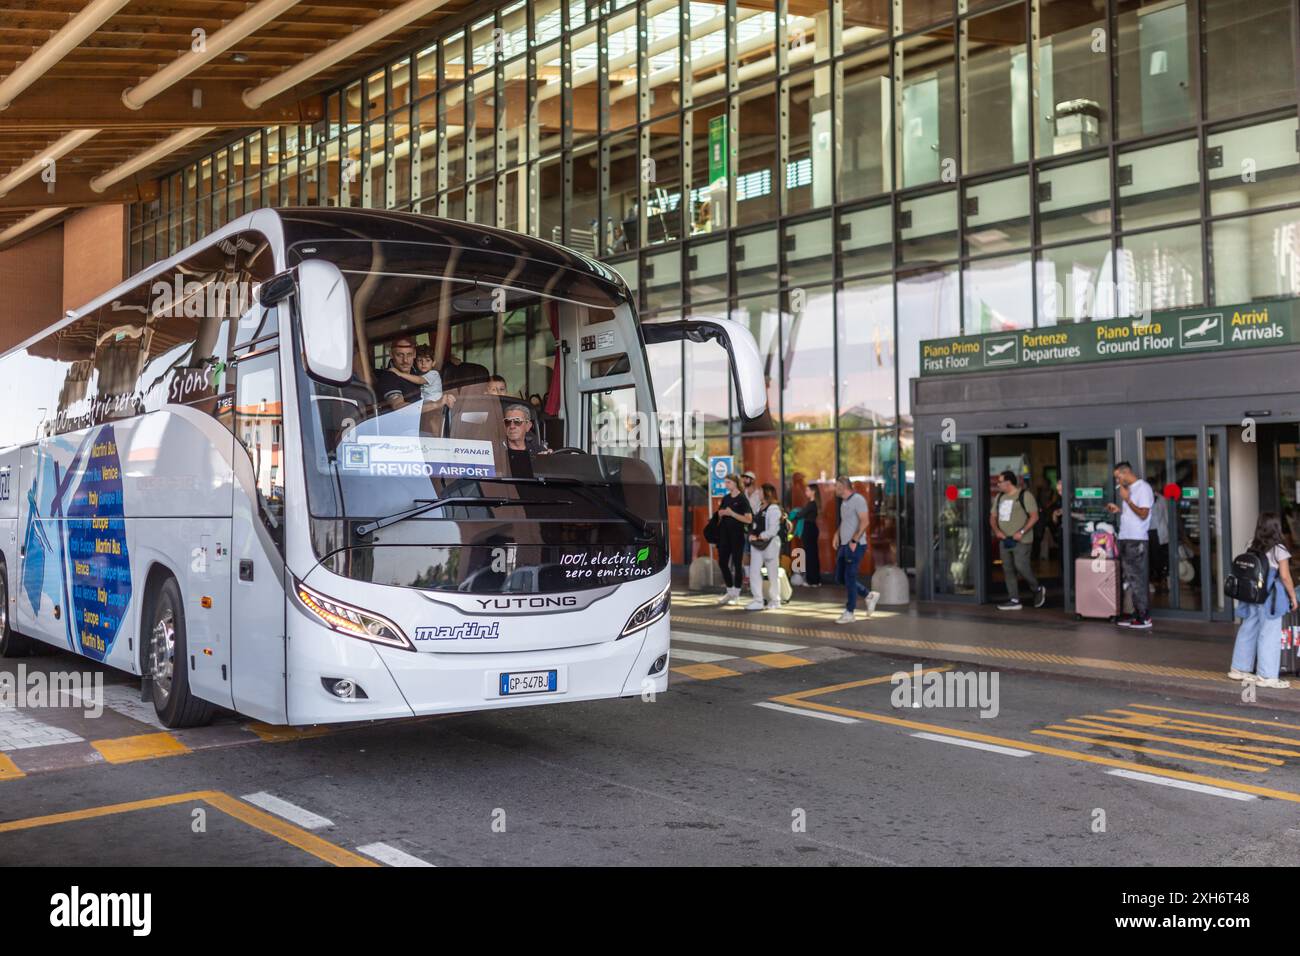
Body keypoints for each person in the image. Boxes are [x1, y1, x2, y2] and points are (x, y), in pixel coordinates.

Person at [1229, 512, 1297, 688]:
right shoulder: (1279, 549)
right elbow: (1285, 577)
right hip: (1270, 598)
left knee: (1248, 628)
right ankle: (1266, 676)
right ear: (1276, 527)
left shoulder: (1251, 544)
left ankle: (1239, 669)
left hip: (1251, 594)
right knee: (1269, 633)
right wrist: (1292, 597)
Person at [1106, 461, 1155, 629]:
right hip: (1127, 538)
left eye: (1118, 477)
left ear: (1126, 473)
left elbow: (1143, 514)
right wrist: (1119, 510)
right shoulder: (1131, 490)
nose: (1118, 482)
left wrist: (1127, 500)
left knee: (1138, 578)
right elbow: (1133, 515)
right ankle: (1137, 614)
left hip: (1136, 540)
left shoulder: (1143, 488)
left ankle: (1144, 617)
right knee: (1131, 578)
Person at [990, 471, 1046, 611]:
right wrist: (997, 531)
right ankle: (1014, 600)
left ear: (1008, 482)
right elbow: (992, 517)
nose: (998, 484)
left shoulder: (1024, 495)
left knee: (1021, 566)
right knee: (1008, 569)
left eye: (1000, 481)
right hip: (1005, 539)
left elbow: (1034, 517)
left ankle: (1037, 588)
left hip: (1022, 539)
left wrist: (1021, 532)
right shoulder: (999, 497)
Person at [832, 475, 873, 624]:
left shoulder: (858, 500)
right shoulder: (844, 502)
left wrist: (855, 539)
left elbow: (865, 521)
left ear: (843, 486)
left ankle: (850, 612)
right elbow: (846, 521)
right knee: (840, 578)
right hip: (844, 544)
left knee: (849, 577)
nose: (835, 489)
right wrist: (837, 534)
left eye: (837, 486)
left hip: (855, 545)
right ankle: (868, 595)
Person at [714, 474, 752, 606]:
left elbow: (748, 519)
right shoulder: (725, 498)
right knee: (722, 563)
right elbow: (719, 514)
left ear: (735, 483)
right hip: (725, 537)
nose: (726, 485)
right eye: (725, 482)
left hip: (737, 537)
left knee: (737, 564)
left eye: (728, 482)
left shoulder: (742, 499)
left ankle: (736, 594)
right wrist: (720, 513)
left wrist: (732, 514)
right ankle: (730, 591)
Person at [745, 483, 783, 612]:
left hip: (769, 545)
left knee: (772, 573)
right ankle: (758, 600)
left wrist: (759, 536)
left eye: (760, 491)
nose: (758, 493)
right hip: (757, 545)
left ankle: (775, 600)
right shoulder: (759, 507)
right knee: (754, 572)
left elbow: (773, 530)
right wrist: (752, 535)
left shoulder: (773, 509)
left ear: (767, 493)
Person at [373, 337, 427, 409]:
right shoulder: (388, 377)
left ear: (414, 354)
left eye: (409, 354)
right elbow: (398, 405)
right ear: (391, 354)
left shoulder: (420, 369)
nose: (405, 360)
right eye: (400, 355)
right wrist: (433, 405)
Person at [794, 482, 822, 587]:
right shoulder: (814, 504)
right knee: (813, 555)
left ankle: (811, 580)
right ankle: (816, 580)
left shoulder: (811, 504)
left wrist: (793, 513)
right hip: (812, 529)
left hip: (809, 529)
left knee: (810, 555)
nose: (806, 492)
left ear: (813, 492)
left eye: (807, 490)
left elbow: (800, 514)